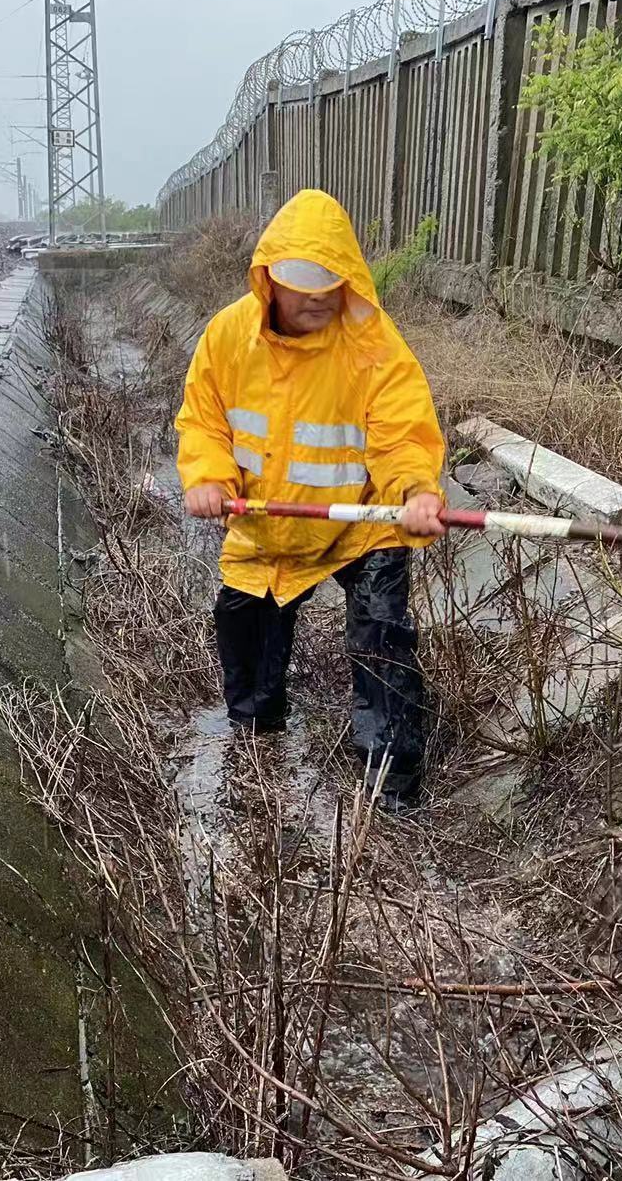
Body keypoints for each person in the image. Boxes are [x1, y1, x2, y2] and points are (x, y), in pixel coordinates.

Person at [174, 189, 446, 807]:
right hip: (266, 528)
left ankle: (391, 787)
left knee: (382, 637)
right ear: (269, 280)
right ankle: (256, 738)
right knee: (243, 633)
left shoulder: (372, 345)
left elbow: (402, 432)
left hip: (363, 523)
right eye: (303, 286)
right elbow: (202, 419)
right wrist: (208, 476)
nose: (318, 299)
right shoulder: (228, 336)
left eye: (329, 285)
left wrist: (418, 491)